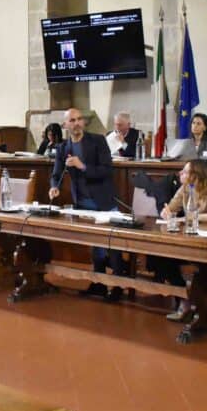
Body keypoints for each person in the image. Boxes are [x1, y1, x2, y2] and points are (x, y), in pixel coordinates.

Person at [50, 108, 127, 302]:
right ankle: (99, 283)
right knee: (95, 245)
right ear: (65, 125)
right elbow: (56, 174)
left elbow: (107, 170)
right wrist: (54, 187)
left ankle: (118, 286)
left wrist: (82, 166)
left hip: (103, 200)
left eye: (79, 119)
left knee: (112, 244)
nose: (77, 123)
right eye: (72, 120)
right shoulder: (63, 148)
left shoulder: (97, 141)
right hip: (83, 203)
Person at [151, 160, 207, 320]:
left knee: (205, 267)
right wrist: (166, 212)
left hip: (206, 243)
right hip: (186, 238)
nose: (181, 173)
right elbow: (171, 208)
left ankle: (200, 307)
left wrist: (195, 217)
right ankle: (183, 297)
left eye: (185, 171)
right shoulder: (184, 188)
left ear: (195, 176)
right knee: (160, 257)